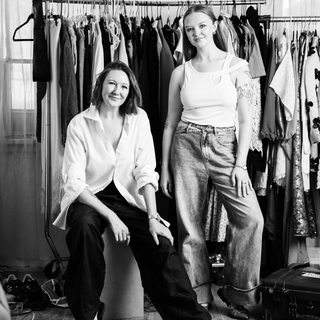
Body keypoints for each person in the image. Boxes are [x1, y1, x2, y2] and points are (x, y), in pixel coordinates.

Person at [53, 61, 211, 320]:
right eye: (112, 83)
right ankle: (88, 314)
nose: (117, 90)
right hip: (91, 198)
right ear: (100, 86)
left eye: (124, 86)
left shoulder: (139, 119)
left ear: (130, 91)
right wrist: (111, 217)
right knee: (82, 228)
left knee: (160, 246)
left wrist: (152, 217)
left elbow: (145, 171)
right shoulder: (79, 124)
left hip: (128, 196)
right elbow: (75, 183)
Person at [160, 4, 264, 320]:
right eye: (190, 29)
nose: (197, 33)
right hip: (186, 145)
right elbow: (169, 122)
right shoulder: (181, 71)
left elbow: (247, 121)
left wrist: (240, 163)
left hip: (227, 145)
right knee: (190, 227)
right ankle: (198, 294)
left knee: (250, 219)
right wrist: (164, 167)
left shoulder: (237, 67)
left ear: (214, 24)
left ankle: (240, 294)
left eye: (202, 26)